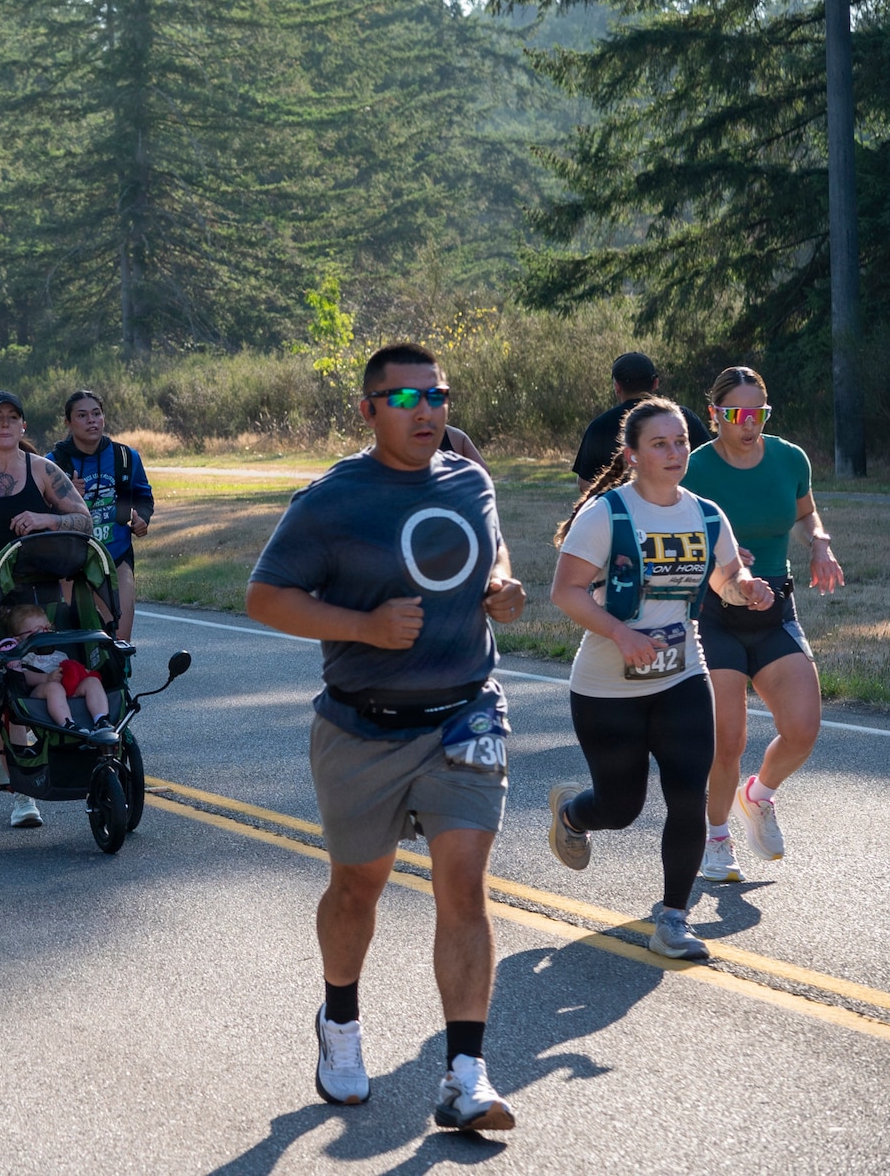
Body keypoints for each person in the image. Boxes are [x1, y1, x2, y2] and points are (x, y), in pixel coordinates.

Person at [244, 342, 527, 1133]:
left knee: (463, 884)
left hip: (467, 710)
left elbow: (491, 545)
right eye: (405, 399)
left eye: (436, 395)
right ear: (368, 410)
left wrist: (500, 584)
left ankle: (466, 1072)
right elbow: (266, 597)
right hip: (361, 725)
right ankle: (339, 1021)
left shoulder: (470, 478)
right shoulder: (333, 499)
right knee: (357, 888)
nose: (427, 410)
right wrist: (362, 624)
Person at [547, 398, 774, 960]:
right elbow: (566, 591)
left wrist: (746, 586)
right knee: (621, 808)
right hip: (606, 687)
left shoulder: (705, 513)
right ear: (632, 454)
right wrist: (621, 634)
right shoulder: (605, 515)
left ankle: (673, 917)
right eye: (660, 444)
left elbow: (725, 576)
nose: (674, 453)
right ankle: (574, 813)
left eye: (680, 442)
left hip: (681, 678)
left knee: (685, 798)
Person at [681, 366, 845, 881]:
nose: (748, 423)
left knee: (802, 729)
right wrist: (718, 557)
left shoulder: (789, 458)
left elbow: (805, 514)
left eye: (758, 413)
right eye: (736, 414)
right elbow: (672, 526)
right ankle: (715, 839)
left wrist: (819, 544)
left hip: (774, 607)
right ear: (715, 416)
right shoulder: (694, 468)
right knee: (726, 740)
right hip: (713, 616)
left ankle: (758, 796)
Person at [0, 390, 93, 826]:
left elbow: (84, 520)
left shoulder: (44, 471)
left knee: (44, 678)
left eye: (14, 418)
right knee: (4, 684)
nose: (6, 424)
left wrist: (46, 518)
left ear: (23, 426)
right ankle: (19, 791)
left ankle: (37, 762)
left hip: (39, 593)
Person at [49, 390, 156, 643]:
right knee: (70, 640)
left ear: (104, 418)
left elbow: (143, 497)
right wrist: (66, 497)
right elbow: (41, 515)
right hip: (69, 561)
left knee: (120, 639)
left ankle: (119, 682)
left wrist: (142, 519)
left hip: (115, 556)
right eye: (82, 415)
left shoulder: (125, 457)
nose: (91, 421)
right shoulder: (53, 463)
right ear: (68, 423)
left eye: (96, 414)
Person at [572, 351, 710, 492]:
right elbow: (709, 465)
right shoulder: (681, 418)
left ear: (617, 387)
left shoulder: (599, 426)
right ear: (655, 383)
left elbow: (585, 484)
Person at [0, 604, 114, 741]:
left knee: (92, 681)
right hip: (39, 693)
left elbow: (71, 668)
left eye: (47, 628)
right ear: (18, 639)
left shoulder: (60, 654)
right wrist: (46, 678)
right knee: (54, 687)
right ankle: (67, 723)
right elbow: (23, 677)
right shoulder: (25, 656)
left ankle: (101, 720)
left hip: (68, 689)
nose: (45, 634)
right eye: (36, 632)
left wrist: (82, 672)